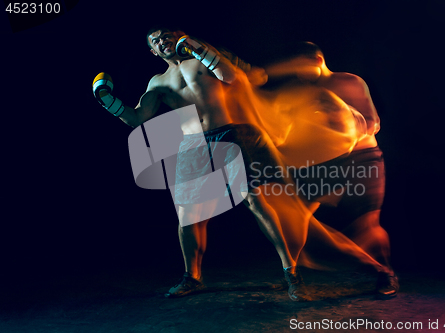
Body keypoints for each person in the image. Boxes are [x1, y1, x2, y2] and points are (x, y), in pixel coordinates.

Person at [92, 26, 309, 301]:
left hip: (228, 134)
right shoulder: (158, 83)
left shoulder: (203, 61)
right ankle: (192, 278)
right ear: (153, 51)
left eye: (166, 36)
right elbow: (137, 119)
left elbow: (231, 77)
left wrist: (200, 50)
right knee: (187, 215)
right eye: (156, 41)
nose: (163, 42)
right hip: (193, 145)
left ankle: (292, 273)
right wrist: (108, 102)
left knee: (255, 201)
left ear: (177, 36)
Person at [263, 42, 399, 299]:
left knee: (367, 225)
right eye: (294, 69)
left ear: (317, 59)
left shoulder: (348, 82)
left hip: (361, 158)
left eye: (301, 67)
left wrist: (341, 121)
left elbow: (373, 123)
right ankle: (292, 274)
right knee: (292, 219)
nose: (298, 73)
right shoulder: (301, 92)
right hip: (323, 164)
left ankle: (386, 273)